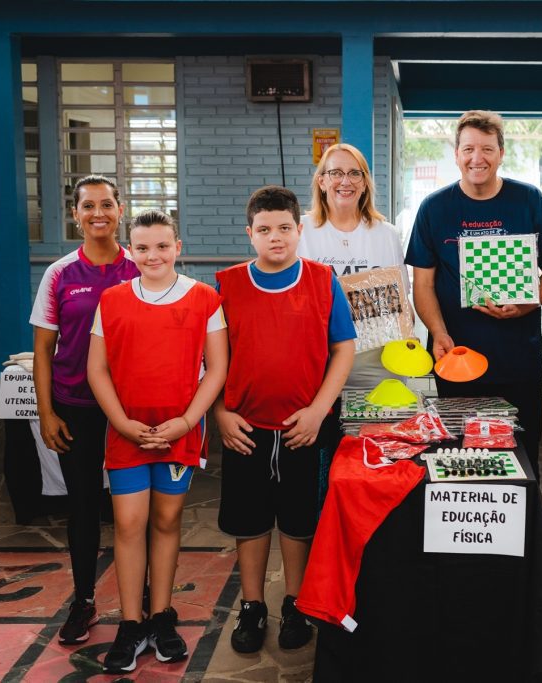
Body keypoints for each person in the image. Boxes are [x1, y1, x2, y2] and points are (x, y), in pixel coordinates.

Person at [214, 185, 355, 653]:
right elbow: (211, 359)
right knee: (250, 521)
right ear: (249, 234)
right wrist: (220, 412)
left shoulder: (321, 279)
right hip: (246, 428)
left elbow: (343, 349)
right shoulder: (228, 285)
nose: (275, 237)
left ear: (300, 230)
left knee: (300, 521)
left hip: (304, 427)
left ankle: (296, 601)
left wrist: (319, 410)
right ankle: (252, 606)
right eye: (264, 230)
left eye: (284, 229)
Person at [87, 209, 228, 674]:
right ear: (131, 250)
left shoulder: (204, 298)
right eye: (143, 247)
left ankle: (162, 614)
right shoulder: (111, 299)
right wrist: (122, 423)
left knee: (167, 521)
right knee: (129, 525)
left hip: (178, 432)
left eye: (162, 246)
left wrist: (188, 420)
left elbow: (218, 368)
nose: (153, 255)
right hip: (127, 433)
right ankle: (131, 622)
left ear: (178, 248)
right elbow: (97, 369)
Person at [406, 110, 542, 477]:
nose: (476, 158)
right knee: (463, 455)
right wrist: (439, 333)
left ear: (501, 152)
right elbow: (424, 284)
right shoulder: (434, 207)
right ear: (455, 153)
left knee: (519, 456)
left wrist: (528, 303)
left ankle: (524, 530)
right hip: (458, 355)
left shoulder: (529, 200)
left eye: (486, 149)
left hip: (518, 355)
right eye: (468, 149)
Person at [30, 175, 141, 646]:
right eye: (88, 206)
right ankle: (83, 601)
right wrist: (46, 412)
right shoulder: (59, 274)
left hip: (131, 410)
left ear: (120, 210)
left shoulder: (140, 267)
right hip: (74, 406)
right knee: (82, 509)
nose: (99, 213)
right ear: (75, 215)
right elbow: (43, 350)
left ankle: (147, 602)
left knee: (134, 510)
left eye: (107, 204)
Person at [300, 142, 411, 390]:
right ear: (322, 182)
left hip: (378, 364)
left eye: (354, 173)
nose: (345, 181)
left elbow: (403, 305)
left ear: (364, 183)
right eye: (336, 173)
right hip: (319, 360)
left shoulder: (386, 234)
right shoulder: (300, 231)